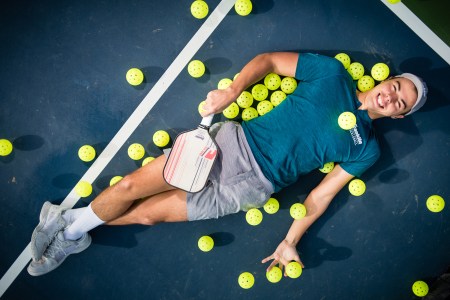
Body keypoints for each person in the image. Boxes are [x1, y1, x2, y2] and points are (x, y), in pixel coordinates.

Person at [27, 52, 428, 276]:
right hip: (231, 145)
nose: (392, 96)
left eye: (402, 102)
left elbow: (322, 195)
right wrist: (233, 91)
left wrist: (290, 240)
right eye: (395, 87)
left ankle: (66, 222)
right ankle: (71, 230)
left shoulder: (366, 150)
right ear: (385, 80)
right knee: (132, 186)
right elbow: (270, 61)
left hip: (253, 189)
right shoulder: (334, 75)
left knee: (147, 216)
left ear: (399, 116)